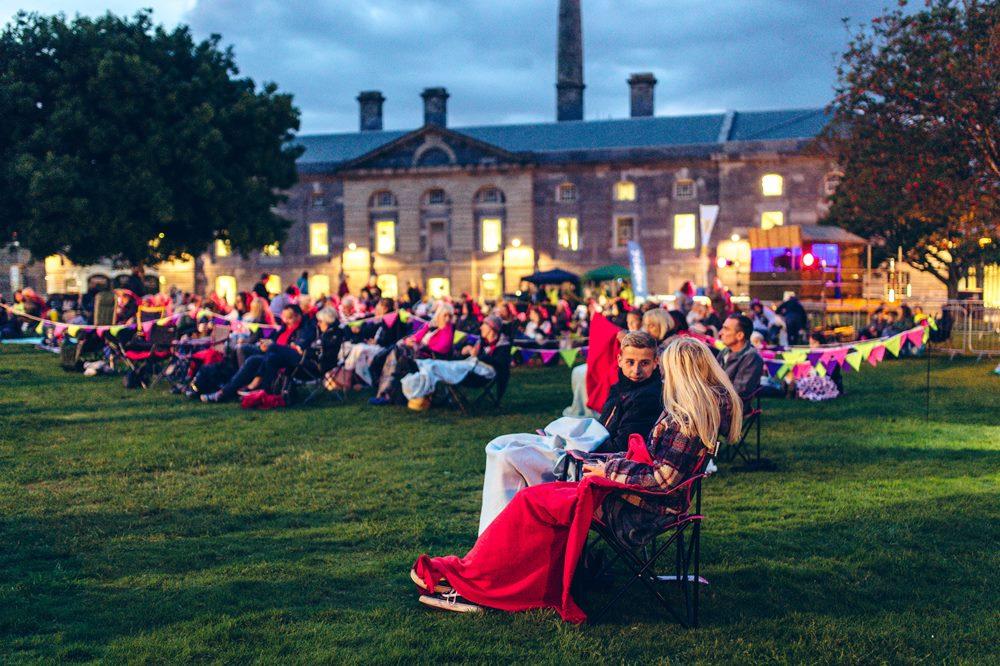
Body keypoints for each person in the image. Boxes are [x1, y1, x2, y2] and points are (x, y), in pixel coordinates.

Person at [412, 337, 741, 620]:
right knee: (536, 499)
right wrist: (594, 461)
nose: (662, 374)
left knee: (531, 502)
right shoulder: (697, 410)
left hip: (640, 512)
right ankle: (481, 574)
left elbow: (663, 478)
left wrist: (606, 469)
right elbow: (658, 470)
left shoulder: (686, 418)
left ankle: (481, 586)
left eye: (665, 367)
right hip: (636, 500)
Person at [478, 331, 663, 533]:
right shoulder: (620, 388)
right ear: (619, 360)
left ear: (655, 362)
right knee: (504, 446)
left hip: (598, 468)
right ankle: (503, 530)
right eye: (630, 362)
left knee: (509, 456)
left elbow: (621, 447)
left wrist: (576, 443)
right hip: (590, 455)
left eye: (644, 363)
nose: (636, 370)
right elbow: (605, 430)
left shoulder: (647, 397)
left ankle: (499, 531)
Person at [202, 304, 316, 402]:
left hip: (283, 360)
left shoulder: (305, 328)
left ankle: (231, 391)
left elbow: (296, 348)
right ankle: (237, 385)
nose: (285, 321)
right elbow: (274, 339)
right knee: (242, 348)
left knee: (254, 360)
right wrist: (266, 343)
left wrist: (272, 345)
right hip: (270, 354)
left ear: (298, 316)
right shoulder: (284, 327)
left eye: (289, 318)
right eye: (284, 317)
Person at [716, 314, 764, 404]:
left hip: (730, 407)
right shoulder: (724, 352)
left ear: (740, 335)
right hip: (716, 400)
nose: (720, 333)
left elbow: (739, 392)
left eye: (726, 329)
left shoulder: (752, 358)